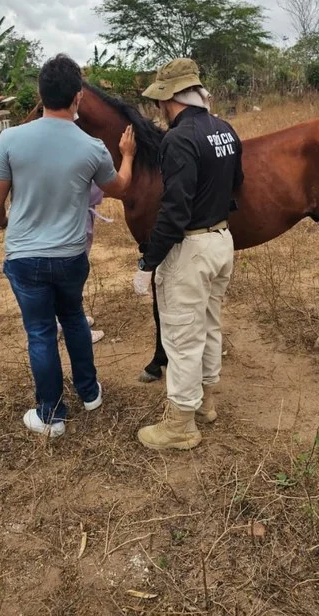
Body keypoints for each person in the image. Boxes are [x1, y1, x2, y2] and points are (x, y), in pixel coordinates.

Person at [0, 54, 136, 438]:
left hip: (25, 259)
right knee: (74, 319)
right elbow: (121, 188)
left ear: (40, 93)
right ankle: (90, 392)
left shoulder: (10, 139)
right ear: (78, 97)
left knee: (40, 333)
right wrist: (129, 156)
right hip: (70, 257)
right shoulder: (92, 147)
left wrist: (7, 225)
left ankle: (50, 415)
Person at [134, 58, 244, 451]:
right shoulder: (225, 129)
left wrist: (148, 263)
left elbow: (174, 211)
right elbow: (237, 183)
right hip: (222, 241)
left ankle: (180, 424)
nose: (159, 109)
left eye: (159, 101)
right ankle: (205, 403)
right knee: (209, 325)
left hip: (192, 249)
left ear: (169, 98)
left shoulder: (178, 139)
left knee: (181, 336)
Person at [56, 181, 108, 344]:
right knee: (72, 275)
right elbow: (112, 186)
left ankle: (61, 320)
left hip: (63, 219)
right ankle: (73, 325)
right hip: (74, 221)